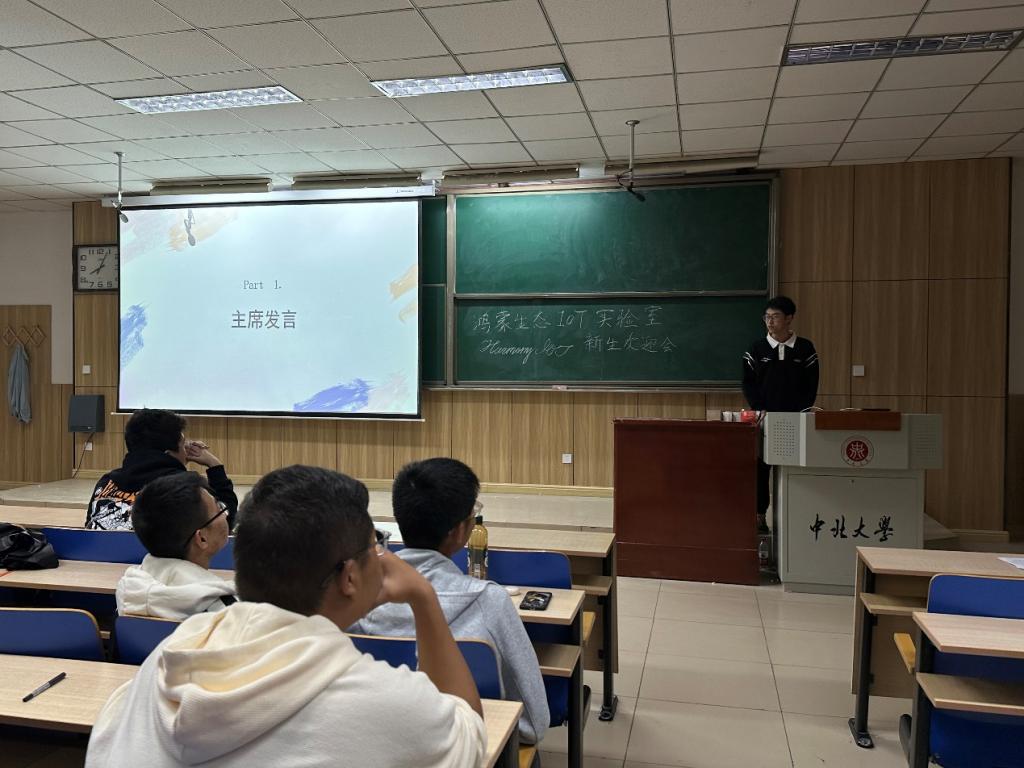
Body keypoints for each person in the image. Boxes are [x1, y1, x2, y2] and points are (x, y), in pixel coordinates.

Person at [85, 465, 485, 768]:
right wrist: (424, 599)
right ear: (349, 577)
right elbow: (469, 732)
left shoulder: (171, 655)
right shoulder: (381, 697)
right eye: (374, 545)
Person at [351, 457, 549, 745]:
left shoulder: (357, 598)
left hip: (380, 739)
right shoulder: (489, 601)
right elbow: (534, 724)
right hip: (469, 744)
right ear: (459, 532)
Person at [84, 408, 237, 531]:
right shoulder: (188, 486)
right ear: (168, 454)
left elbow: (89, 526)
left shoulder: (106, 482)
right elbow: (224, 522)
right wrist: (214, 465)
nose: (186, 450)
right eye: (183, 444)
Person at [742, 296, 819, 533]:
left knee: (794, 468)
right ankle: (759, 516)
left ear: (789, 318)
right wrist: (759, 408)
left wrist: (802, 411)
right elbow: (748, 383)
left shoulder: (805, 348)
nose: (770, 321)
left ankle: (795, 517)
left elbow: (811, 384)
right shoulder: (757, 348)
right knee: (761, 468)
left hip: (796, 419)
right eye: (767, 317)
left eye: (775, 317)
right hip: (765, 419)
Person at [116, 472, 236, 620]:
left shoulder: (128, 593)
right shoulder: (227, 610)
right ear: (202, 538)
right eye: (219, 509)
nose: (225, 515)